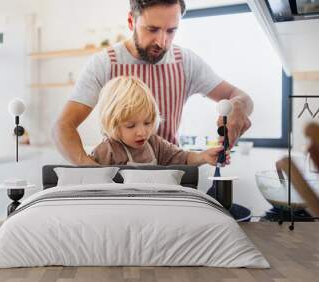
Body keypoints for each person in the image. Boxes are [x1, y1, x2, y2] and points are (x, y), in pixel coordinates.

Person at [53, 0, 253, 165]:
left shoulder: (186, 62)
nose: (162, 42)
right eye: (153, 29)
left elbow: (239, 95)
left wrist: (238, 106)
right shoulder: (104, 64)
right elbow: (62, 127)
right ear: (131, 21)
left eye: (171, 31)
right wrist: (89, 168)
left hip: (173, 174)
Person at [90, 76, 230, 166]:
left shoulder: (155, 144)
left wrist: (204, 157)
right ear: (112, 124)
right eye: (130, 126)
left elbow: (184, 158)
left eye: (147, 122)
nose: (142, 132)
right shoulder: (106, 152)